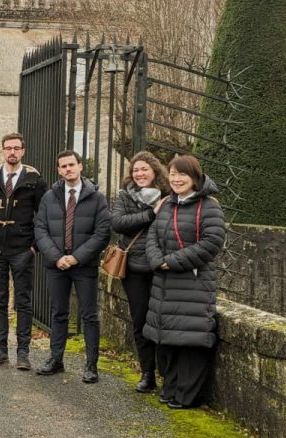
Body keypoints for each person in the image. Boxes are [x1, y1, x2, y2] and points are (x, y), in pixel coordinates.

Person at [144, 154, 225, 409]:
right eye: (173, 174)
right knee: (167, 339)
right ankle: (171, 388)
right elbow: (152, 237)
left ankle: (186, 395)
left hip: (193, 284)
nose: (177, 179)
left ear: (195, 178)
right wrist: (157, 260)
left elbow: (211, 243)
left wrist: (173, 261)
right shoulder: (168, 204)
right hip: (165, 283)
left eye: (183, 174)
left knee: (189, 341)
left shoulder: (210, 206)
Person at [33, 150, 111, 384]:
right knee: (58, 313)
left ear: (80, 167)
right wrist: (57, 257)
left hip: (83, 265)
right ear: (58, 170)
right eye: (63, 166)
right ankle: (56, 359)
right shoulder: (50, 197)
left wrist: (76, 257)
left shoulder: (97, 198)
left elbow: (102, 233)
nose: (68, 169)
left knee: (88, 315)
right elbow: (40, 229)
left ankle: (91, 365)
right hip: (56, 264)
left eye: (71, 165)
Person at [0, 133, 47, 369]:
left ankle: (23, 351)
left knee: (23, 301)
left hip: (22, 249)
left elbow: (43, 216)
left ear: (23, 151)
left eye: (16, 148)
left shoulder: (35, 181)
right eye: (8, 148)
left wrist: (34, 246)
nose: (12, 152)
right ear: (2, 151)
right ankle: (0, 349)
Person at [110, 151, 171, 393]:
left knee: (164, 321)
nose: (139, 174)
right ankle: (147, 373)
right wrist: (150, 214)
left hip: (163, 267)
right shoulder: (126, 196)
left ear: (155, 171)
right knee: (140, 321)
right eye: (135, 170)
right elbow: (117, 223)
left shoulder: (168, 195)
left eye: (144, 169)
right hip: (134, 267)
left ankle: (167, 374)